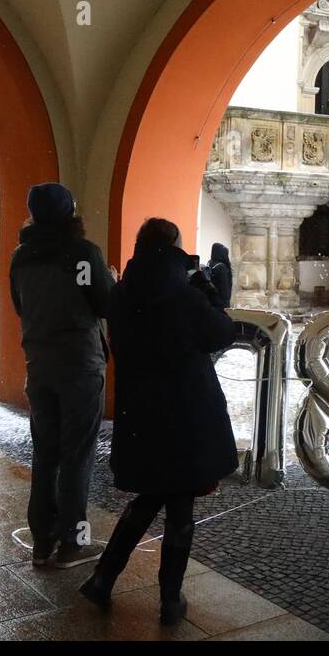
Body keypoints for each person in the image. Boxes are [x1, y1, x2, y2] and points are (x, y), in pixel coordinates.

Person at [80, 218, 239, 625]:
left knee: (150, 496)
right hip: (185, 414)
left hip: (141, 414)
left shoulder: (121, 293)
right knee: (179, 506)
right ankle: (170, 598)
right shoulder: (183, 296)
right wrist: (211, 293)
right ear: (173, 248)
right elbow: (222, 334)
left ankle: (102, 579)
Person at [9, 182, 115, 569]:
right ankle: (74, 542)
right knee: (78, 455)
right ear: (70, 211)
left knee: (46, 454)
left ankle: (42, 541)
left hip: (39, 366)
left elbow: (21, 306)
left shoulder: (21, 257)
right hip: (80, 367)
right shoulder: (82, 255)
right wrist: (113, 280)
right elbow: (103, 303)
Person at [207, 242, 233, 307]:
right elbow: (224, 290)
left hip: (211, 301)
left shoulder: (210, 264)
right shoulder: (222, 267)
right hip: (221, 303)